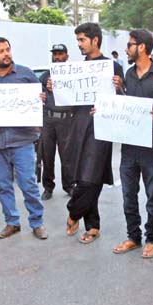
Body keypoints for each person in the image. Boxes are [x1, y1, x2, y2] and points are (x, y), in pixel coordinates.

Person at [52, 23, 123, 245]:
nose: (79, 45)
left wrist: (119, 88)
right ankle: (92, 226)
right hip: (78, 127)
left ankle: (74, 211)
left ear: (95, 40)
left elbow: (124, 101)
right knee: (83, 175)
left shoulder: (112, 67)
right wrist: (54, 88)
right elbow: (68, 103)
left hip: (101, 128)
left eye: (82, 40)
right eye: (78, 41)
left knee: (90, 177)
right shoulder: (77, 70)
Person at [0, 37, 48, 240]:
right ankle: (12, 222)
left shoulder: (26, 74)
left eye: (8, 49)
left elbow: (41, 98)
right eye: (1, 51)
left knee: (28, 184)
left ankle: (37, 222)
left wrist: (41, 98)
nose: (6, 54)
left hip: (23, 140)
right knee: (3, 186)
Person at [112, 29, 153, 259]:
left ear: (143, 47)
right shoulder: (128, 73)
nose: (127, 49)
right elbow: (127, 106)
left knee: (152, 195)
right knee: (129, 194)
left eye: (130, 45)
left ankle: (152, 239)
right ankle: (133, 237)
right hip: (129, 144)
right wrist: (117, 92)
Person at [38, 44, 74, 200]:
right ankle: (48, 187)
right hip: (48, 120)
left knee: (67, 156)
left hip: (66, 119)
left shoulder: (73, 75)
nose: (57, 57)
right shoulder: (45, 76)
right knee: (47, 155)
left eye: (60, 54)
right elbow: (38, 97)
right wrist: (43, 94)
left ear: (67, 56)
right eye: (55, 54)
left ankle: (69, 185)